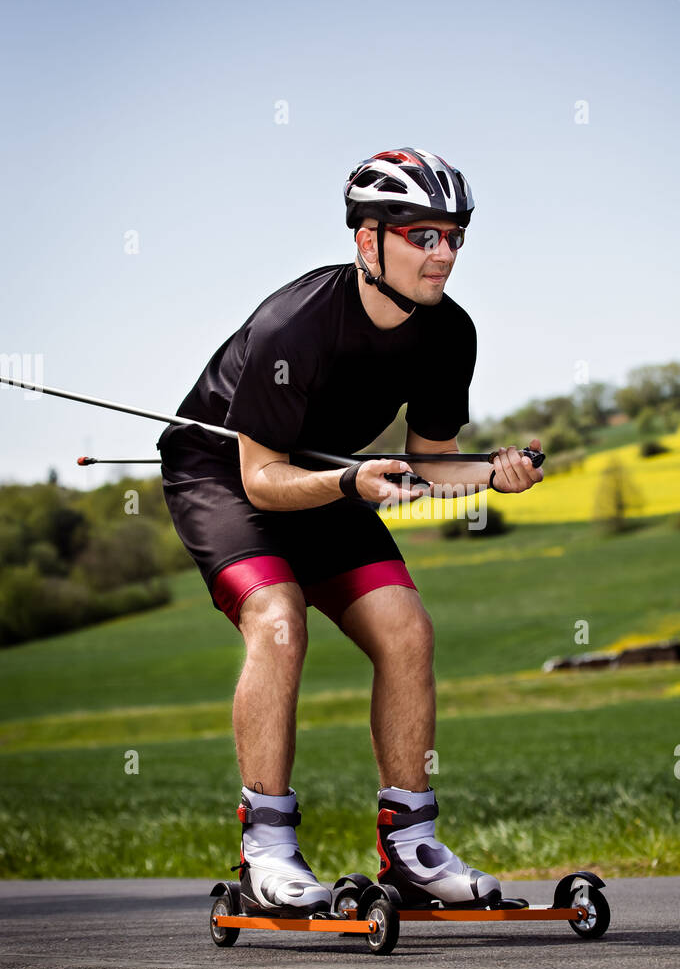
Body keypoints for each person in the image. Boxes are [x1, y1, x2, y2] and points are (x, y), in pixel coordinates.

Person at [157, 146, 544, 914]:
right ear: (368, 241)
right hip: (228, 474)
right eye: (422, 237)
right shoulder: (294, 324)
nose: (443, 255)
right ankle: (266, 850)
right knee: (277, 621)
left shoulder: (448, 334)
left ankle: (411, 846)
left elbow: (431, 465)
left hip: (333, 476)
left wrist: (492, 474)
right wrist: (350, 481)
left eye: (454, 237)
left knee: (407, 629)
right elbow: (263, 479)